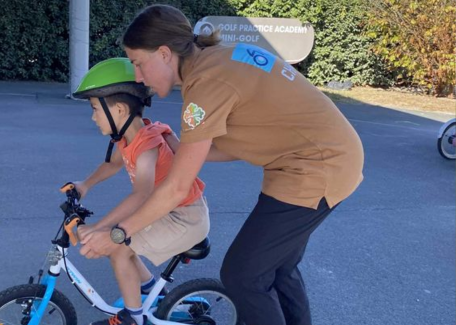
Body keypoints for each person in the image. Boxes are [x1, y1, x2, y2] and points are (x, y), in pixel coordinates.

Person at [79, 5, 364, 325]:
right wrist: (186, 147)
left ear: (163, 53)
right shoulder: (216, 61)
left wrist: (118, 234)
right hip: (317, 160)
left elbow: (176, 188)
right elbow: (238, 143)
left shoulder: (205, 85)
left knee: (244, 275)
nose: (137, 76)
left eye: (138, 63)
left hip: (316, 167)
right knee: (277, 268)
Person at [70, 57, 210, 325]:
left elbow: (141, 194)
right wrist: (84, 185)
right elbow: (112, 164)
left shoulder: (147, 144)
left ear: (119, 110)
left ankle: (134, 319)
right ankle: (152, 295)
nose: (93, 117)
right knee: (120, 242)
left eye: (95, 109)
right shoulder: (128, 138)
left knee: (119, 248)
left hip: (184, 218)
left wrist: (101, 227)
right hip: (167, 210)